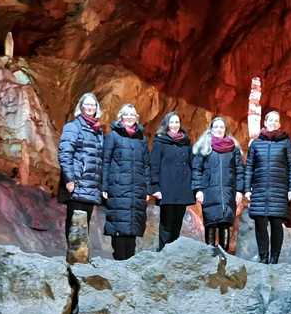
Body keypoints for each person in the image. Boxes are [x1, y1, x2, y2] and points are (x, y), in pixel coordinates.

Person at [244, 110, 291, 264]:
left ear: (279, 124)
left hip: (279, 189)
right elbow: (249, 167)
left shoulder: (286, 143)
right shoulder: (256, 144)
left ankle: (274, 258)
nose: (273, 123)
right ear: (265, 122)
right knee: (260, 223)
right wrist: (247, 188)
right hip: (260, 189)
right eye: (270, 120)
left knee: (276, 223)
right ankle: (263, 257)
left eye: (276, 120)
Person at [101, 104, 149, 260]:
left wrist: (147, 188)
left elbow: (146, 165)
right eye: (126, 115)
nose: (129, 117)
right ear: (120, 117)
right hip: (118, 187)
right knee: (118, 223)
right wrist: (104, 186)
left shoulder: (141, 138)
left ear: (136, 118)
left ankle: (130, 261)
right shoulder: (113, 136)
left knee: (133, 224)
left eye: (132, 115)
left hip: (136, 189)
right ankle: (120, 260)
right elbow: (106, 161)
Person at [192, 117, 244, 252]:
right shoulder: (204, 147)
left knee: (225, 222)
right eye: (216, 127)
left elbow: (239, 170)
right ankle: (209, 255)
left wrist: (239, 190)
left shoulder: (233, 148)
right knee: (210, 222)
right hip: (209, 191)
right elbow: (197, 169)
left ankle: (223, 257)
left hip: (228, 191)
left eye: (221, 127)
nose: (219, 129)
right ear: (211, 129)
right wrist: (198, 189)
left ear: (225, 130)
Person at [56, 92, 105, 233]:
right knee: (74, 224)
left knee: (85, 225)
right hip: (77, 183)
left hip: (91, 185)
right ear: (81, 106)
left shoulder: (98, 131)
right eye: (87, 104)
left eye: (93, 104)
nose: (90, 107)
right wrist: (69, 179)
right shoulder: (73, 127)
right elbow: (65, 154)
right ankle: (73, 255)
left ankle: (82, 254)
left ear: (96, 108)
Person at [149, 111, 194, 250]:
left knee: (177, 224)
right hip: (167, 188)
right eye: (172, 122)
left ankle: (173, 254)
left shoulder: (186, 142)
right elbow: (154, 165)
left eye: (177, 122)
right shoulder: (160, 141)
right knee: (166, 224)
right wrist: (155, 187)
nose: (175, 125)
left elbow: (191, 164)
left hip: (182, 188)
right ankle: (163, 253)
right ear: (167, 124)